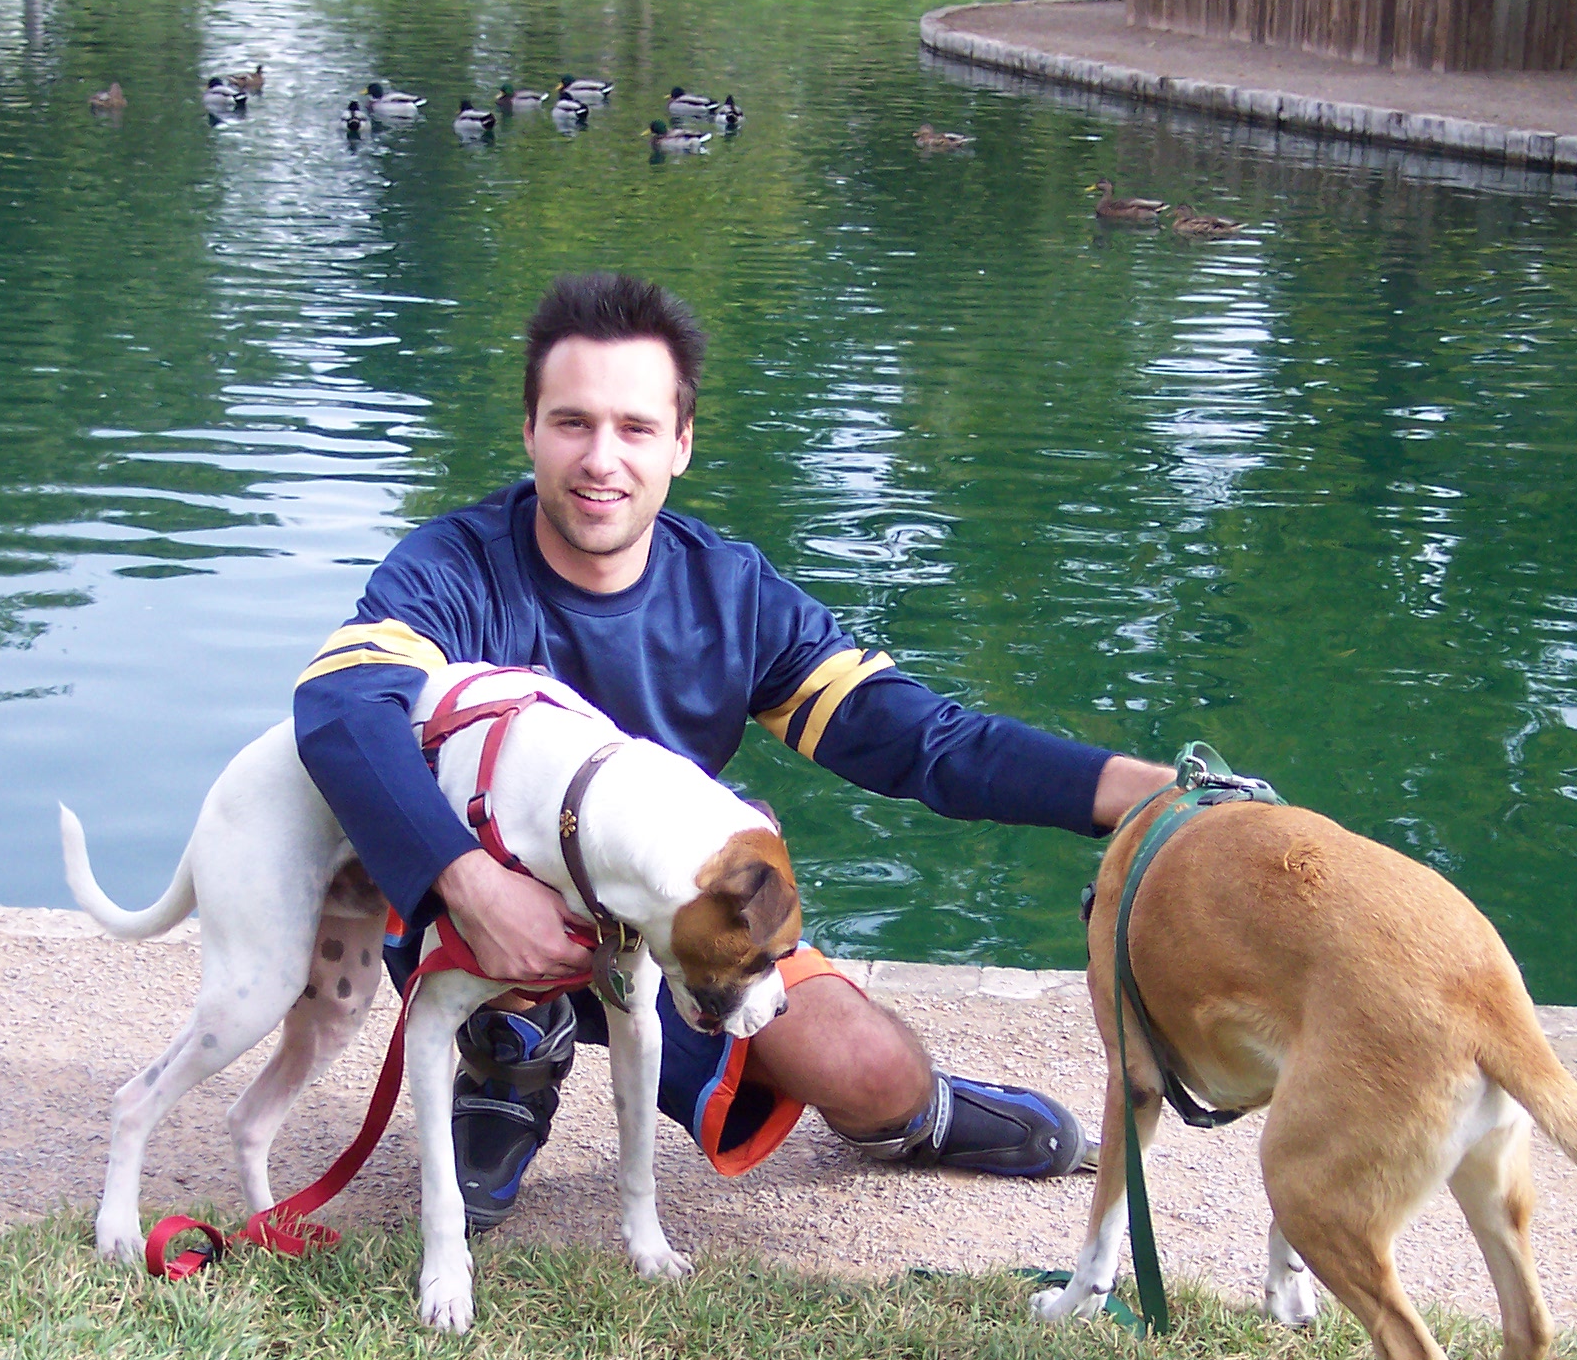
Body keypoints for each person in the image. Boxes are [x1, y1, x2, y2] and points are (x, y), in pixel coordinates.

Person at [295, 273, 1180, 1231]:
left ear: (680, 442)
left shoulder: (731, 595)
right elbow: (340, 708)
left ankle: (918, 1110)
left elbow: (924, 740)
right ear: (530, 432)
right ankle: (509, 1057)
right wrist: (465, 881)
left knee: (870, 1068)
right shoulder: (453, 568)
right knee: (486, 906)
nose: (601, 459)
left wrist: (1147, 795)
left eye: (635, 428)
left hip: (671, 932)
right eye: (572, 423)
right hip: (487, 917)